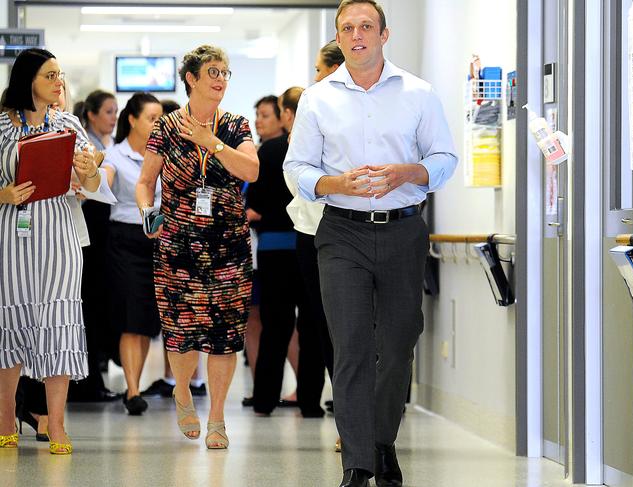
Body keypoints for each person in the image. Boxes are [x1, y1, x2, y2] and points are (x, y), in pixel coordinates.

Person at [284, 2, 458, 486]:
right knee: (352, 347)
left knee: (399, 345)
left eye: (365, 27)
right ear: (338, 38)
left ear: (385, 34)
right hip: (341, 233)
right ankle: (357, 463)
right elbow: (296, 168)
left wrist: (410, 172)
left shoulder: (419, 94)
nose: (356, 35)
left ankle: (382, 441)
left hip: (404, 229)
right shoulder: (317, 99)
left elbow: (445, 156)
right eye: (347, 28)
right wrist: (334, 184)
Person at [136, 44, 259, 449]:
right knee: (182, 331)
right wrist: (146, 211)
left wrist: (212, 143)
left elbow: (252, 171)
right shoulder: (166, 127)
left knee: (225, 333)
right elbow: (145, 182)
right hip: (178, 244)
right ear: (191, 78)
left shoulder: (236, 125)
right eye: (212, 72)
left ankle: (218, 417)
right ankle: (183, 391)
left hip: (228, 245)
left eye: (225, 72)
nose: (221, 79)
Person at [0, 48, 100, 455]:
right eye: (50, 75)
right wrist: (2, 194)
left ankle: (56, 424)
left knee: (58, 318)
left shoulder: (69, 123)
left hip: (59, 232)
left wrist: (89, 170)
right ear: (28, 80)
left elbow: (91, 186)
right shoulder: (2, 126)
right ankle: (6, 418)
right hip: (12, 232)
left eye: (60, 74)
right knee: (12, 321)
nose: (58, 82)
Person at [248, 95, 324, 418]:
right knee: (312, 326)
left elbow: (253, 205)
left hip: (273, 248)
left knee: (274, 326)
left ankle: (264, 399)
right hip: (310, 243)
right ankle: (310, 402)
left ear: (286, 115)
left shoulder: (268, 152)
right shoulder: (316, 150)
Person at [141, 98, 207, 400]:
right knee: (178, 315)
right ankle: (179, 383)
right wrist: (150, 215)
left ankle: (194, 381)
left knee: (202, 316)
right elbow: (146, 183)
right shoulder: (164, 137)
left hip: (211, 241)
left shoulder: (225, 132)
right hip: (173, 238)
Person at [103, 93, 163, 415]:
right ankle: (133, 390)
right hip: (124, 240)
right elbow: (106, 179)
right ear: (133, 120)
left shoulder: (163, 155)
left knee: (144, 320)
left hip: (155, 240)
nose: (157, 124)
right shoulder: (115, 154)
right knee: (129, 317)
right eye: (152, 118)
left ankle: (134, 385)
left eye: (160, 118)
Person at [67, 89, 120, 403]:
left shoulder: (105, 147)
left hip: (101, 238)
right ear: (91, 115)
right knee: (87, 305)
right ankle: (85, 380)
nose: (113, 118)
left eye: (116, 111)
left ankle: (92, 376)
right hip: (87, 238)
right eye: (108, 111)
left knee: (97, 306)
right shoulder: (86, 149)